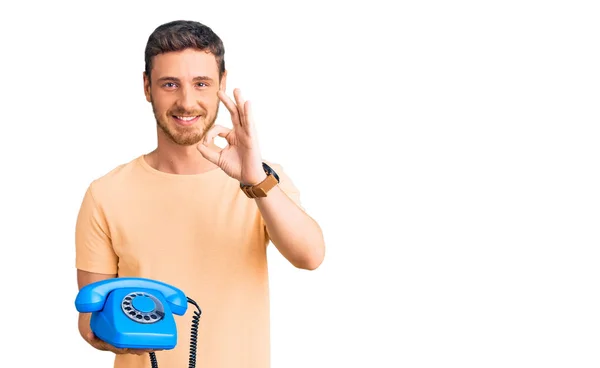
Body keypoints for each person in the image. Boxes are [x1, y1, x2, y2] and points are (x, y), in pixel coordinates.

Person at [74, 19, 325, 368]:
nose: (186, 102)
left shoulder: (263, 181)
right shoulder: (105, 193)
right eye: (170, 84)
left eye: (201, 83)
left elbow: (310, 256)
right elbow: (88, 319)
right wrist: (110, 335)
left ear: (222, 83)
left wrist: (254, 180)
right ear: (147, 87)